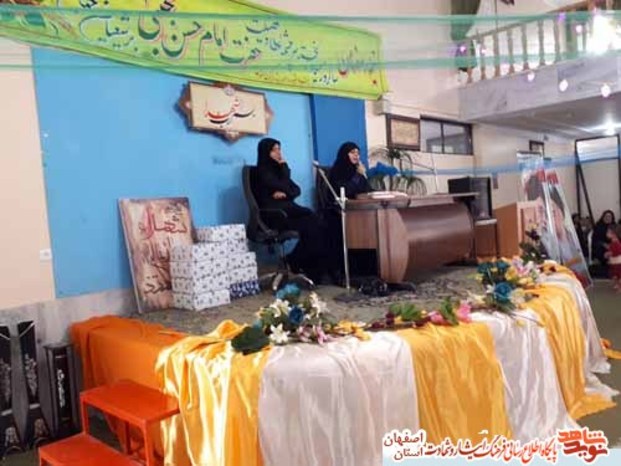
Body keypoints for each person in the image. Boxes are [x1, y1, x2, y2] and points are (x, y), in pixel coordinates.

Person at [253, 137, 331, 283]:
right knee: (312, 225)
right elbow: (281, 186)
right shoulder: (260, 173)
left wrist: (285, 192)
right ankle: (297, 263)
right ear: (265, 152)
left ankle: (300, 263)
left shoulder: (278, 171)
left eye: (279, 149)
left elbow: (296, 189)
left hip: (288, 212)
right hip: (274, 216)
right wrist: (284, 170)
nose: (279, 153)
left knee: (319, 225)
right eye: (274, 150)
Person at [605, 224, 621, 291]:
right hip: (614, 262)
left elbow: (617, 251)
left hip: (618, 262)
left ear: (613, 234)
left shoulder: (616, 242)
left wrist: (608, 254)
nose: (606, 234)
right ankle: (617, 285)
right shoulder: (613, 242)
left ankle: (619, 286)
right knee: (615, 275)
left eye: (608, 232)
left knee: (618, 275)